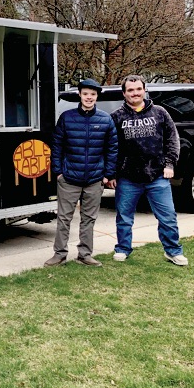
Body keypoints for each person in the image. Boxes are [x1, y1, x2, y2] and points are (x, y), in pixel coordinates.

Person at [108, 74, 188, 266]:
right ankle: (123, 249)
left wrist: (169, 164)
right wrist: (111, 174)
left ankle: (173, 251)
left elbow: (172, 140)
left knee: (168, 216)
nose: (135, 93)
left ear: (144, 90)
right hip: (127, 178)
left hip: (157, 176)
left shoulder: (160, 113)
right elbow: (111, 148)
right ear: (124, 93)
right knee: (124, 217)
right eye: (130, 90)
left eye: (138, 89)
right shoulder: (116, 117)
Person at [44, 78, 118, 267]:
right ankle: (59, 254)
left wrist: (107, 175)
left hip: (94, 179)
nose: (89, 97)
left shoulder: (105, 119)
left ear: (97, 97)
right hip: (69, 179)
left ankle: (85, 254)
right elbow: (57, 146)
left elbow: (112, 148)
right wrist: (58, 172)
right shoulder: (67, 117)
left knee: (88, 219)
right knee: (64, 218)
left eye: (93, 94)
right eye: (85, 94)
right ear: (80, 94)